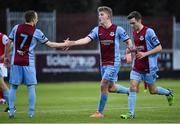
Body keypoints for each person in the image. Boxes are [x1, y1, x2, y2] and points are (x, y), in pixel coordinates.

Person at [65, 6, 133, 118]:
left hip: (114, 62)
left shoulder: (118, 29)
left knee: (103, 84)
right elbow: (86, 40)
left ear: (108, 16)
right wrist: (73, 43)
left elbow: (129, 42)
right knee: (111, 88)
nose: (99, 17)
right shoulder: (97, 30)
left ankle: (99, 112)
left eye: (102, 14)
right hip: (104, 63)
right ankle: (130, 91)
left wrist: (128, 53)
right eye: (99, 14)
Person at [4, 10, 68, 119]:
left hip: (16, 61)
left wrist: (6, 56)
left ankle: (11, 113)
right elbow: (50, 44)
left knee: (13, 87)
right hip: (28, 62)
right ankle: (31, 113)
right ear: (33, 19)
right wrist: (64, 44)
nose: (37, 19)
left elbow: (8, 43)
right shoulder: (36, 32)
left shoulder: (16, 27)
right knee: (31, 87)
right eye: (37, 17)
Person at [120, 11, 174, 119]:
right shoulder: (135, 33)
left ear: (139, 20)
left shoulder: (149, 32)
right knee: (132, 87)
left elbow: (159, 48)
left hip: (149, 67)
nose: (131, 26)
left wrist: (145, 54)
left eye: (133, 23)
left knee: (153, 91)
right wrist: (130, 50)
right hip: (137, 66)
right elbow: (138, 47)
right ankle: (131, 114)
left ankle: (168, 93)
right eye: (130, 23)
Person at [0, 32, 10, 109]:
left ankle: (11, 105)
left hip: (1, 64)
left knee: (1, 83)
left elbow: (10, 44)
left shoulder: (2, 36)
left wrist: (4, 55)